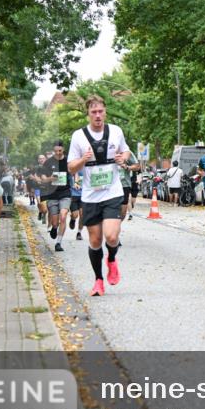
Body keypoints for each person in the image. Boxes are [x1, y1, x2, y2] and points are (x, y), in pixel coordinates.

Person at [67, 95, 131, 297]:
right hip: (90, 196)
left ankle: (111, 259)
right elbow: (70, 167)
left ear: (105, 112)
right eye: (93, 112)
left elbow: (126, 151)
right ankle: (98, 280)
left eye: (100, 111)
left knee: (111, 236)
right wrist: (83, 160)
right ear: (88, 114)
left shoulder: (115, 132)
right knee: (95, 241)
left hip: (112, 192)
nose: (97, 115)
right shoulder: (78, 136)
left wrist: (123, 158)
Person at [42, 141, 72, 251]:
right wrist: (50, 179)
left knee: (63, 216)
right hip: (52, 194)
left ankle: (58, 243)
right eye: (55, 151)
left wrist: (76, 180)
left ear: (63, 149)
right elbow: (43, 178)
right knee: (55, 222)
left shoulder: (68, 160)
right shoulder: (48, 162)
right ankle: (54, 227)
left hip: (65, 193)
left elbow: (74, 171)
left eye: (59, 151)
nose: (58, 153)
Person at [118, 149, 140, 221]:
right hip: (109, 185)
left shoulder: (127, 152)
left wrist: (127, 167)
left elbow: (137, 167)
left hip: (124, 184)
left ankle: (115, 227)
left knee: (123, 212)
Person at [69, 170, 84, 240]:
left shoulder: (84, 170)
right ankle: (73, 219)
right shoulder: (71, 170)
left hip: (83, 195)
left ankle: (79, 233)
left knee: (82, 215)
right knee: (75, 214)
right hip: (72, 195)